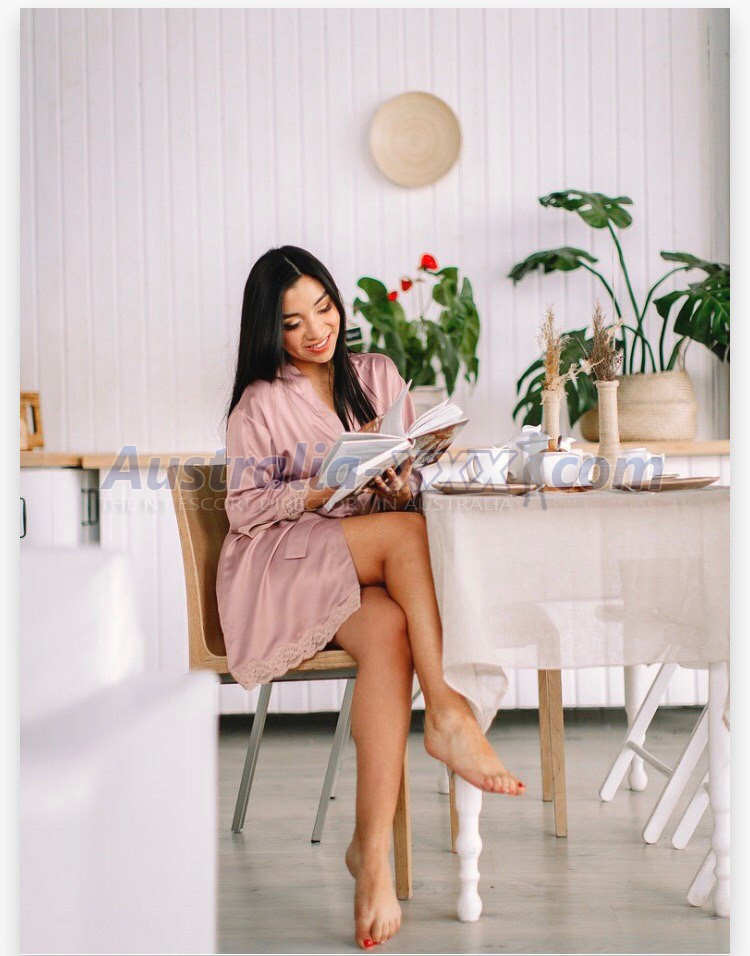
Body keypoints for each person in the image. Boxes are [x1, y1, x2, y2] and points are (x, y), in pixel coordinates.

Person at [216, 245, 525, 950]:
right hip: (282, 564)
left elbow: (406, 487)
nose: (315, 330)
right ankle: (447, 710)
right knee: (408, 537)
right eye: (292, 322)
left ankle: (371, 856)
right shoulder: (259, 403)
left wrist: (400, 483)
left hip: (359, 563)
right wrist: (322, 489)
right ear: (269, 330)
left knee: (389, 630)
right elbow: (243, 508)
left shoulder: (379, 375)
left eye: (323, 308)